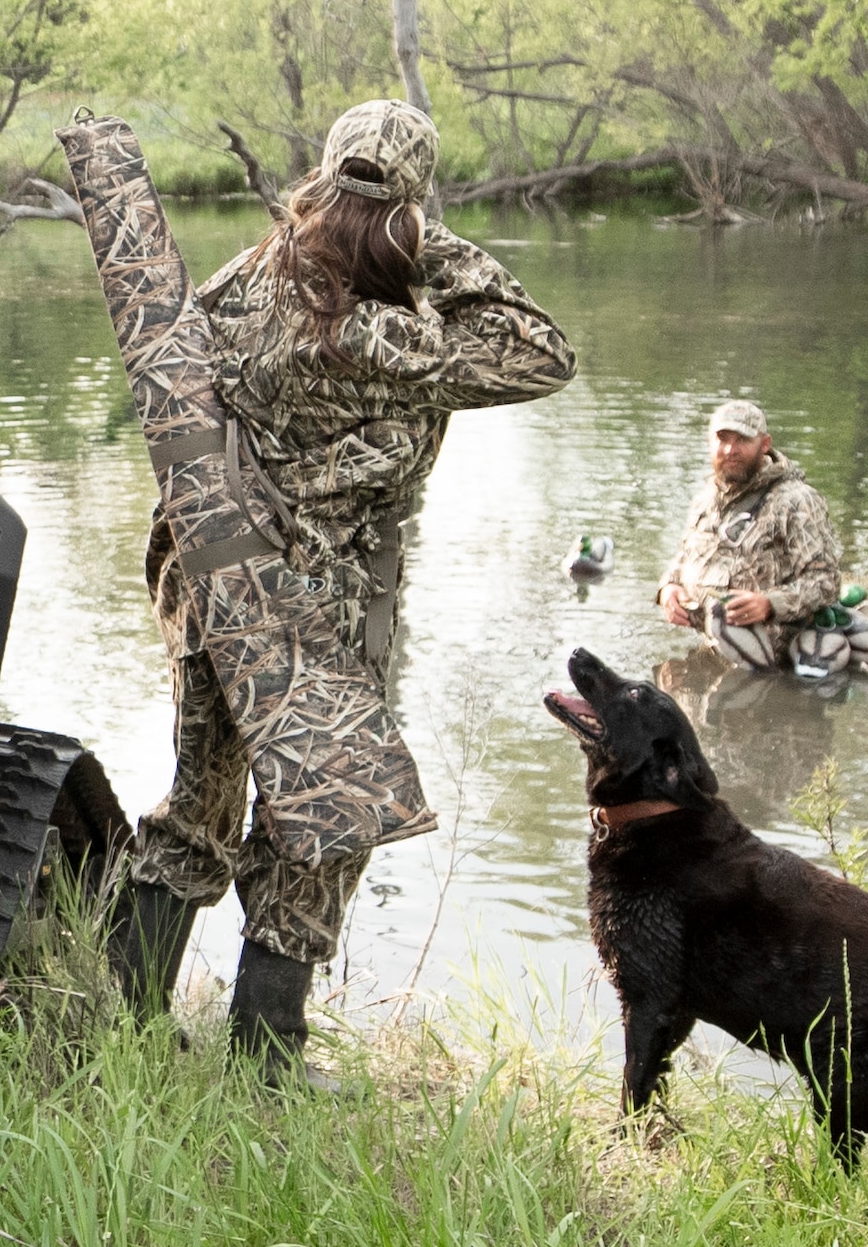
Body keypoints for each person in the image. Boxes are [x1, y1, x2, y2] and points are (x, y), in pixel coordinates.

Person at [132, 100, 576, 1066]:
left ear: (323, 179)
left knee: (199, 793)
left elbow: (176, 373)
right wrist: (424, 238)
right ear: (413, 204)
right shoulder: (392, 339)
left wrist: (333, 215)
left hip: (210, 575)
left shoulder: (247, 284)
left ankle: (121, 1022)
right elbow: (544, 353)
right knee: (320, 821)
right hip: (315, 604)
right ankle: (265, 1051)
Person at [657, 398, 858, 668]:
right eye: (722, 439)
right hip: (711, 646)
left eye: (742, 440)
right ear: (709, 442)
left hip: (771, 654)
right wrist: (667, 587)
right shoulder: (706, 498)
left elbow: (826, 581)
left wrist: (768, 604)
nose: (730, 449)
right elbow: (685, 556)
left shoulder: (796, 501)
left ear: (764, 445)